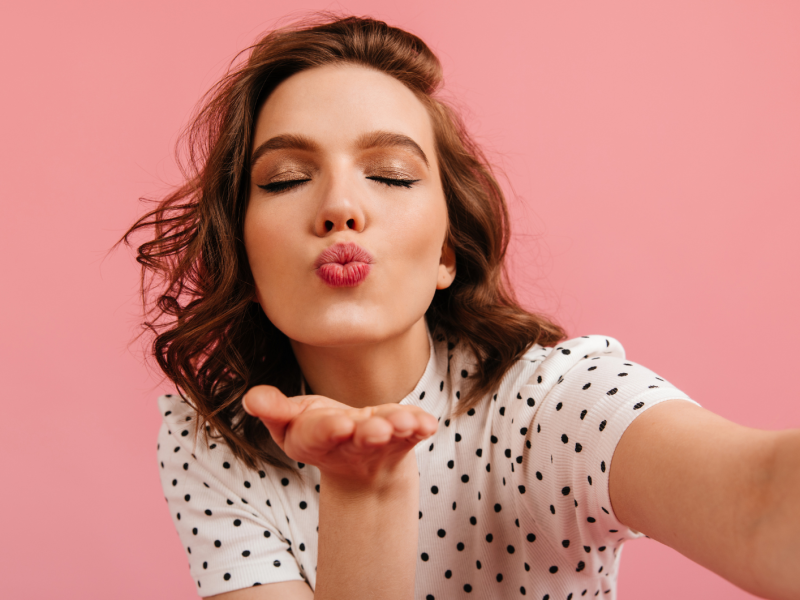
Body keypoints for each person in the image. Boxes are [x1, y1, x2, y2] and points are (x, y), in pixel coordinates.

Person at [124, 13, 800, 600]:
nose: (339, 208)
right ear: (242, 248)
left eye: (389, 174)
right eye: (287, 179)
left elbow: (765, 507)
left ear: (447, 251)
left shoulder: (555, 405)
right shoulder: (212, 438)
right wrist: (363, 490)